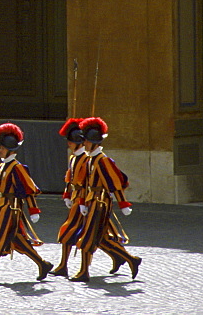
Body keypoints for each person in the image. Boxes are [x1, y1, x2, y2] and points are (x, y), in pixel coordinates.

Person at [0, 122, 52, 284]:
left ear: (9, 149)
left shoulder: (17, 168)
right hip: (4, 207)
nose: (0, 150)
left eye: (2, 148)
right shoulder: (3, 166)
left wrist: (33, 210)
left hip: (12, 208)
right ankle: (42, 264)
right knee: (17, 239)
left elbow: (28, 190)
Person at [70, 117, 142, 282]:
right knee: (101, 238)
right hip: (91, 200)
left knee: (87, 236)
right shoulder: (91, 160)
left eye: (87, 141)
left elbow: (115, 183)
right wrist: (82, 202)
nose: (85, 144)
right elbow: (84, 183)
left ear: (94, 142)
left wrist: (123, 203)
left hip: (100, 203)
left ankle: (83, 272)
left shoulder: (102, 160)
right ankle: (131, 259)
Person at [50, 118, 87, 277]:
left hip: (84, 202)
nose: (69, 144)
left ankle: (128, 259)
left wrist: (84, 202)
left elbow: (87, 183)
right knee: (67, 232)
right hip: (76, 200)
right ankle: (63, 265)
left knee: (102, 239)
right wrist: (67, 194)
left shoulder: (87, 159)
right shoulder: (73, 158)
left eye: (71, 142)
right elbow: (69, 178)